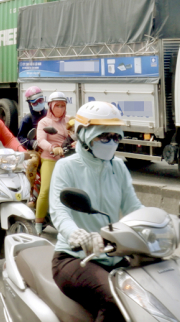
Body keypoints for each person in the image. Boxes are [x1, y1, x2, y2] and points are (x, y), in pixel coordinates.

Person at [50, 101, 143, 322]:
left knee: (150, 293)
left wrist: (162, 223)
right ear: (84, 136)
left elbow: (133, 207)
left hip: (114, 253)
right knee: (113, 299)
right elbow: (59, 212)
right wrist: (77, 235)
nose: (111, 142)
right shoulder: (66, 167)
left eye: (115, 136)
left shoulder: (118, 166)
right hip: (75, 257)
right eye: (104, 136)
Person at [34, 92, 72, 234]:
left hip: (67, 158)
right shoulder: (44, 122)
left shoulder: (69, 121)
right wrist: (53, 147)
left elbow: (77, 133)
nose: (60, 109)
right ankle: (38, 222)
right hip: (50, 158)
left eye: (63, 105)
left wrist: (76, 141)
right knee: (46, 189)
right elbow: (41, 140)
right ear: (50, 106)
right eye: (57, 106)